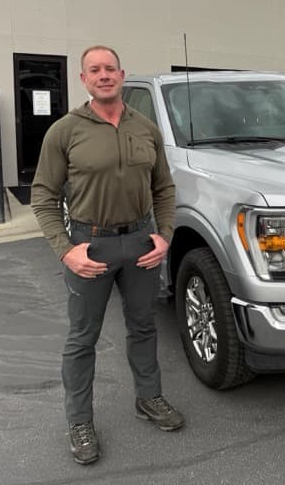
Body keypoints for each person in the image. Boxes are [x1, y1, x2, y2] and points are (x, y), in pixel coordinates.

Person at [31, 45, 183, 466]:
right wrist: (66, 251)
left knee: (144, 326)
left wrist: (164, 235)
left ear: (121, 74)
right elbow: (43, 195)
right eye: (94, 70)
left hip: (140, 243)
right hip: (89, 245)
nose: (103, 75)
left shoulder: (146, 129)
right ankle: (80, 421)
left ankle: (149, 398)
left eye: (110, 68)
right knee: (83, 338)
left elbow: (164, 188)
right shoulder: (65, 131)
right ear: (83, 79)